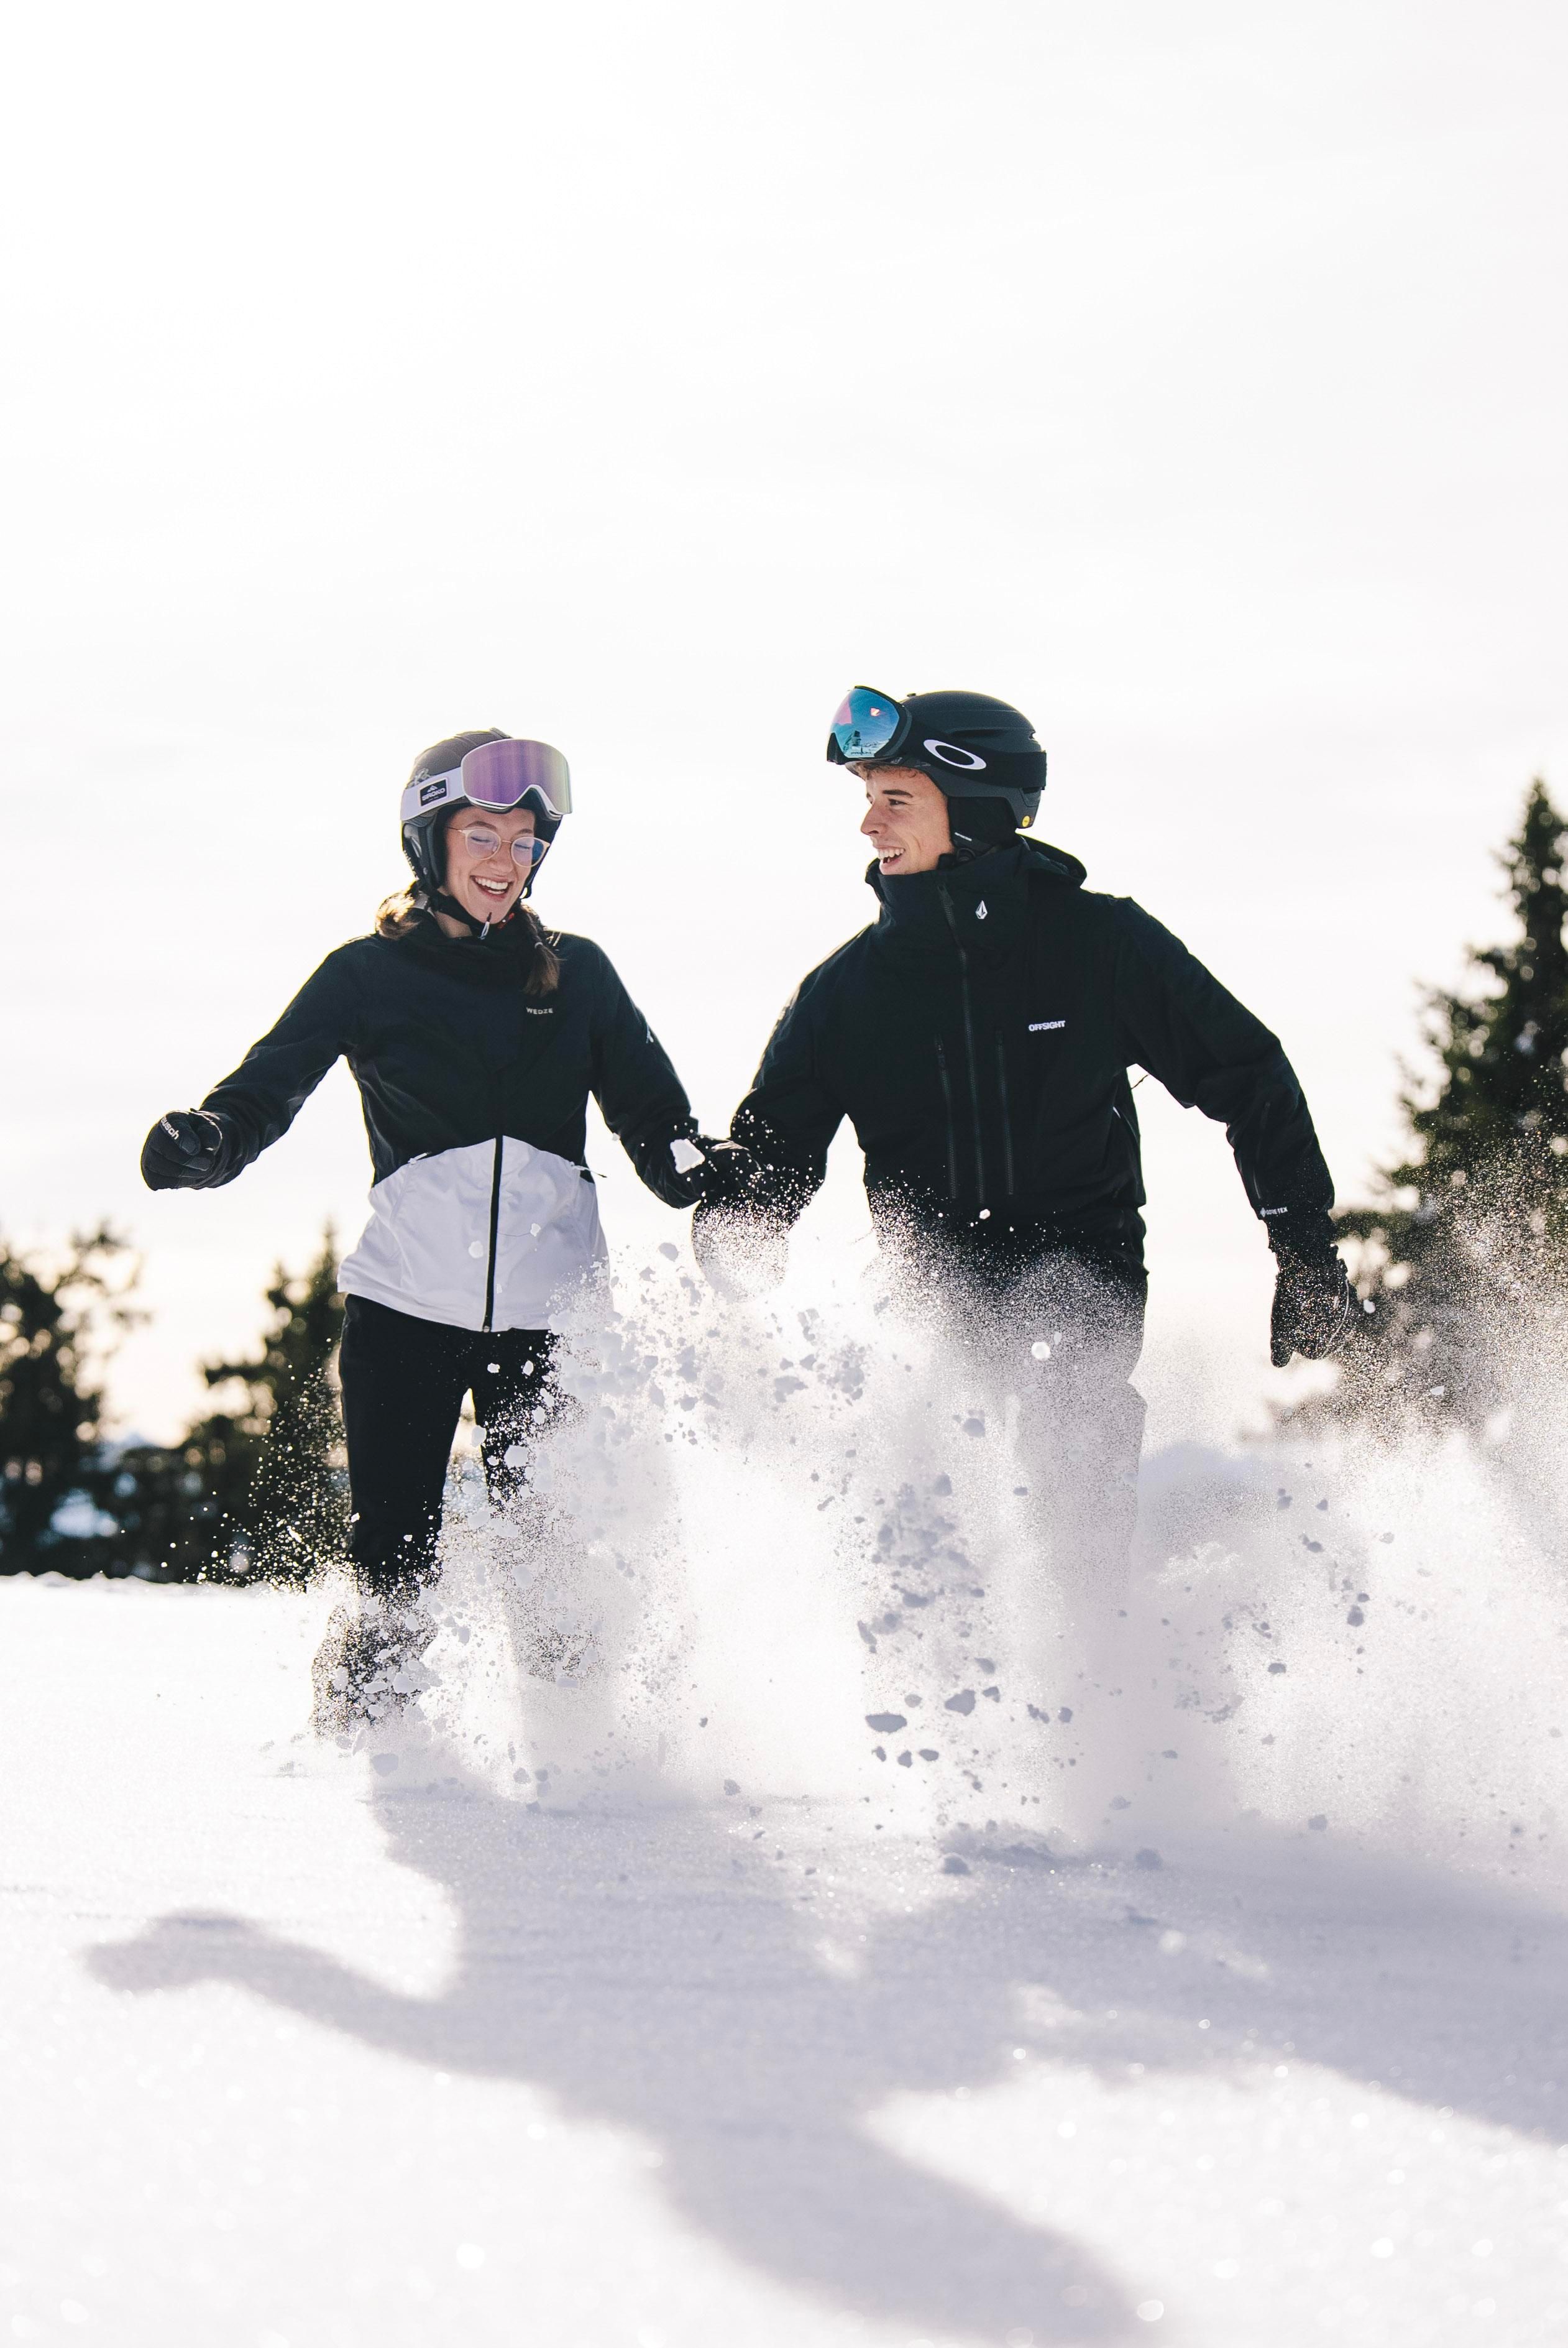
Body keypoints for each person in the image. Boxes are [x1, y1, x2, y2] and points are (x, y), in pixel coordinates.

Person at [693, 686, 1354, 1597]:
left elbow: (1248, 1072)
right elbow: (775, 1156)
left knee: (1063, 1408)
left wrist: (1306, 1248)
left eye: (896, 799)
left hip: (1081, 1271)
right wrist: (741, 1220)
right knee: (939, 1510)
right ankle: (929, 1703)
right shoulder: (845, 994)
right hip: (931, 1291)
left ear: (972, 808)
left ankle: (1092, 1679)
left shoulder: (1099, 944)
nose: (867, 825)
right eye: (867, 796)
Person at [142, 729, 720, 1720]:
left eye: (524, 842)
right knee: (395, 1558)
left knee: (550, 1556)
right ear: (431, 841)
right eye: (483, 837)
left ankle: (585, 1760)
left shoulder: (578, 974)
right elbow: (267, 1089)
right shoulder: (369, 975)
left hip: (554, 1314)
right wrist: (211, 1141)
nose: (505, 861)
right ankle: (377, 1744)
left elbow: (658, 1124)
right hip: (407, 1305)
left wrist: (713, 1177)